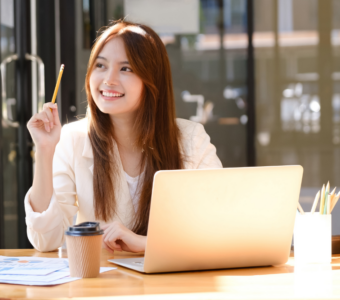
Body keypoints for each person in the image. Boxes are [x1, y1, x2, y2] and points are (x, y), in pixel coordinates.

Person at [25, 20, 222, 253]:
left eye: (125, 68)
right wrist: (45, 151)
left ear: (152, 81)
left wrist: (145, 244)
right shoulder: (72, 139)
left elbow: (218, 227)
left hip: (172, 284)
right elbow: (46, 241)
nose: (109, 79)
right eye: (101, 65)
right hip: (102, 286)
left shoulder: (191, 139)